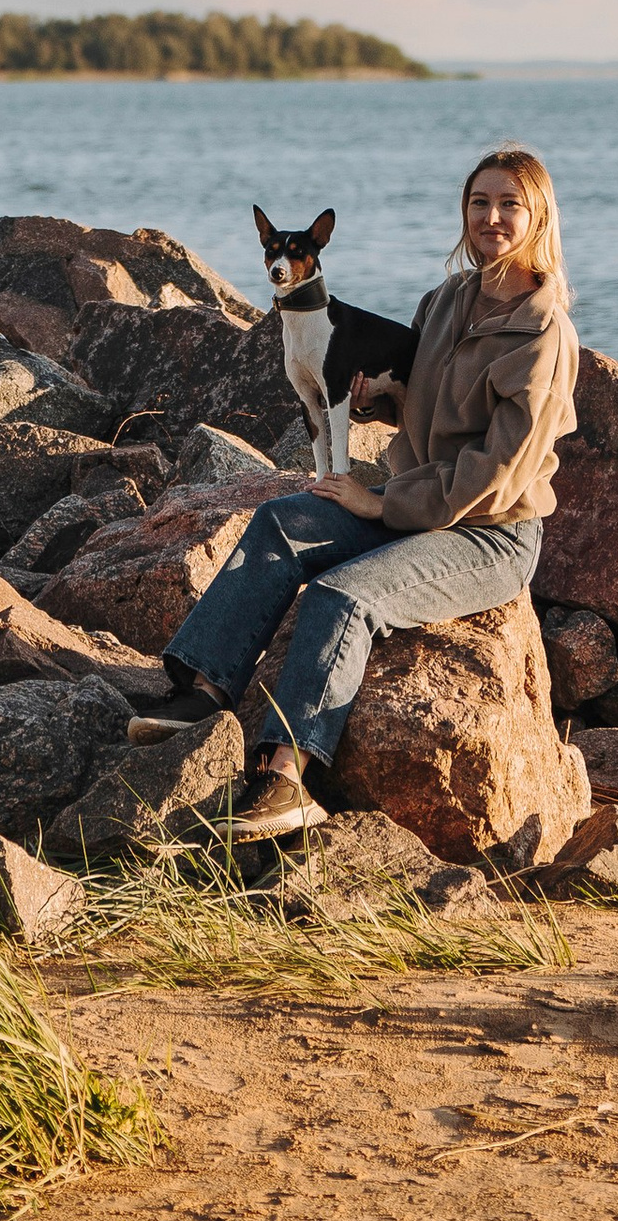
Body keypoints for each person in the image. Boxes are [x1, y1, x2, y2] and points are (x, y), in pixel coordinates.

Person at [146, 145, 581, 841]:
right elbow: (424, 406)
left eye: (510, 204)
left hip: (491, 534)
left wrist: (383, 505)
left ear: (538, 216)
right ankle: (203, 690)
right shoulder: (443, 303)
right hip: (418, 501)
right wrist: (384, 399)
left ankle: (285, 778)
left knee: (344, 595)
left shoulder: (543, 332)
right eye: (480, 202)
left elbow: (500, 467)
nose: (492, 217)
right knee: (282, 525)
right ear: (464, 211)